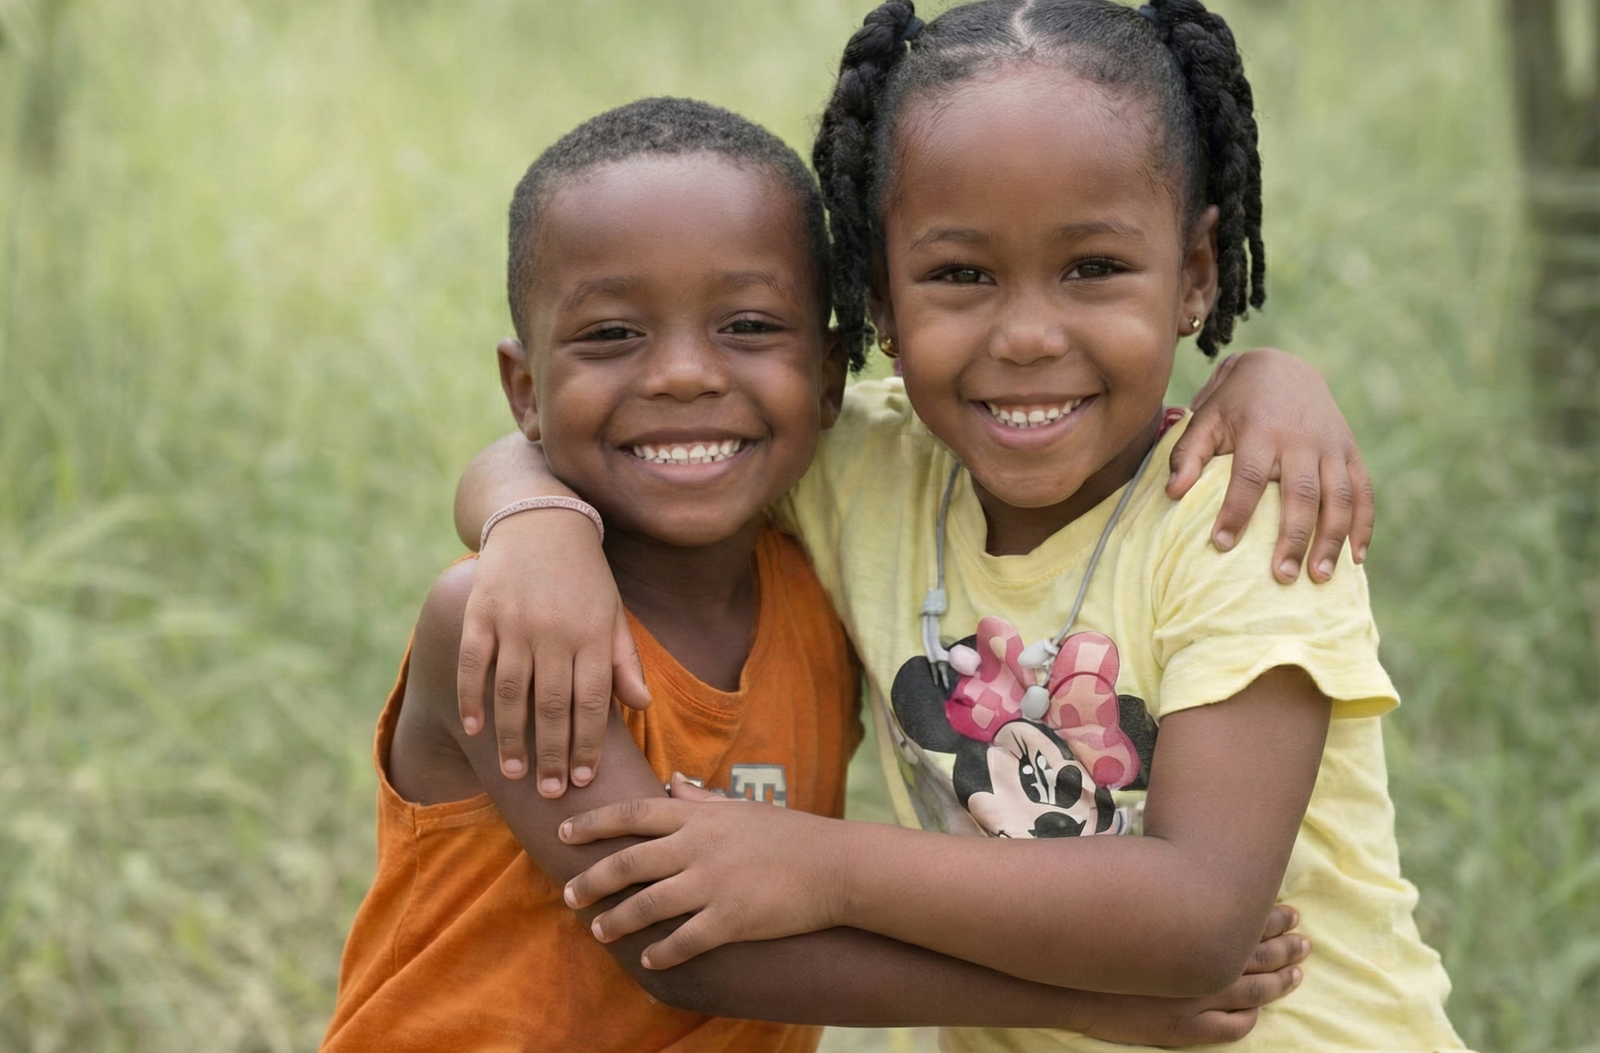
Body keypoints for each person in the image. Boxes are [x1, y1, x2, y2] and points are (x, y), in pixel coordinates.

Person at [451, 3, 1467, 1051]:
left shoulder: (1250, 513)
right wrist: (531, 523)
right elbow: (630, 431)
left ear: (1195, 275)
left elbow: (1198, 919)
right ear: (878, 302)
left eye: (1092, 269)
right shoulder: (868, 471)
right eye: (960, 276)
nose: (1026, 336)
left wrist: (815, 864)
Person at [321, 96, 1312, 1053]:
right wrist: (1091, 1003)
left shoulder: (818, 575)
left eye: (748, 327)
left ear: (832, 373)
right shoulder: (497, 621)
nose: (682, 375)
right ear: (525, 391)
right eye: (612, 334)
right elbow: (679, 950)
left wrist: (1273, 375)